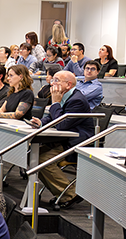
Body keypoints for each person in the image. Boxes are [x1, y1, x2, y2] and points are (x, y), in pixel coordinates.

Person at [28, 71, 95, 210]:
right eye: (52, 80)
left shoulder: (77, 100)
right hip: (63, 140)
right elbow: (54, 117)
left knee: (42, 161)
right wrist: (40, 122)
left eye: (57, 80)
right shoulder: (65, 96)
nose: (52, 83)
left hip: (78, 143)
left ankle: (69, 194)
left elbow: (61, 124)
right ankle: (62, 192)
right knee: (31, 156)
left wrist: (55, 103)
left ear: (68, 84)